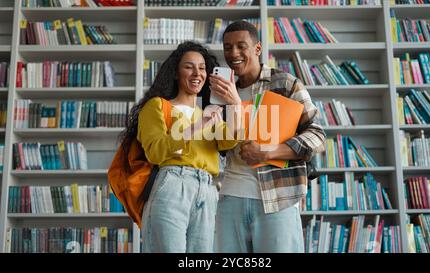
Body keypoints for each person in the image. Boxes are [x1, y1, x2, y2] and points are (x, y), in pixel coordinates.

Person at [209, 21, 326, 253]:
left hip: (277, 198)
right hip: (230, 196)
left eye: (241, 46)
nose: (233, 53)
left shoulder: (284, 84)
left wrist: (268, 152)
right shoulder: (219, 91)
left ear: (258, 49)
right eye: (227, 47)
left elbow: (317, 135)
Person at [119, 41, 239, 253]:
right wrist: (198, 126)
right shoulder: (157, 106)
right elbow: (156, 151)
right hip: (173, 185)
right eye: (189, 66)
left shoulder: (208, 113)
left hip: (207, 189)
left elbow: (230, 141)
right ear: (175, 73)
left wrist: (235, 103)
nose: (197, 73)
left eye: (202, 68)